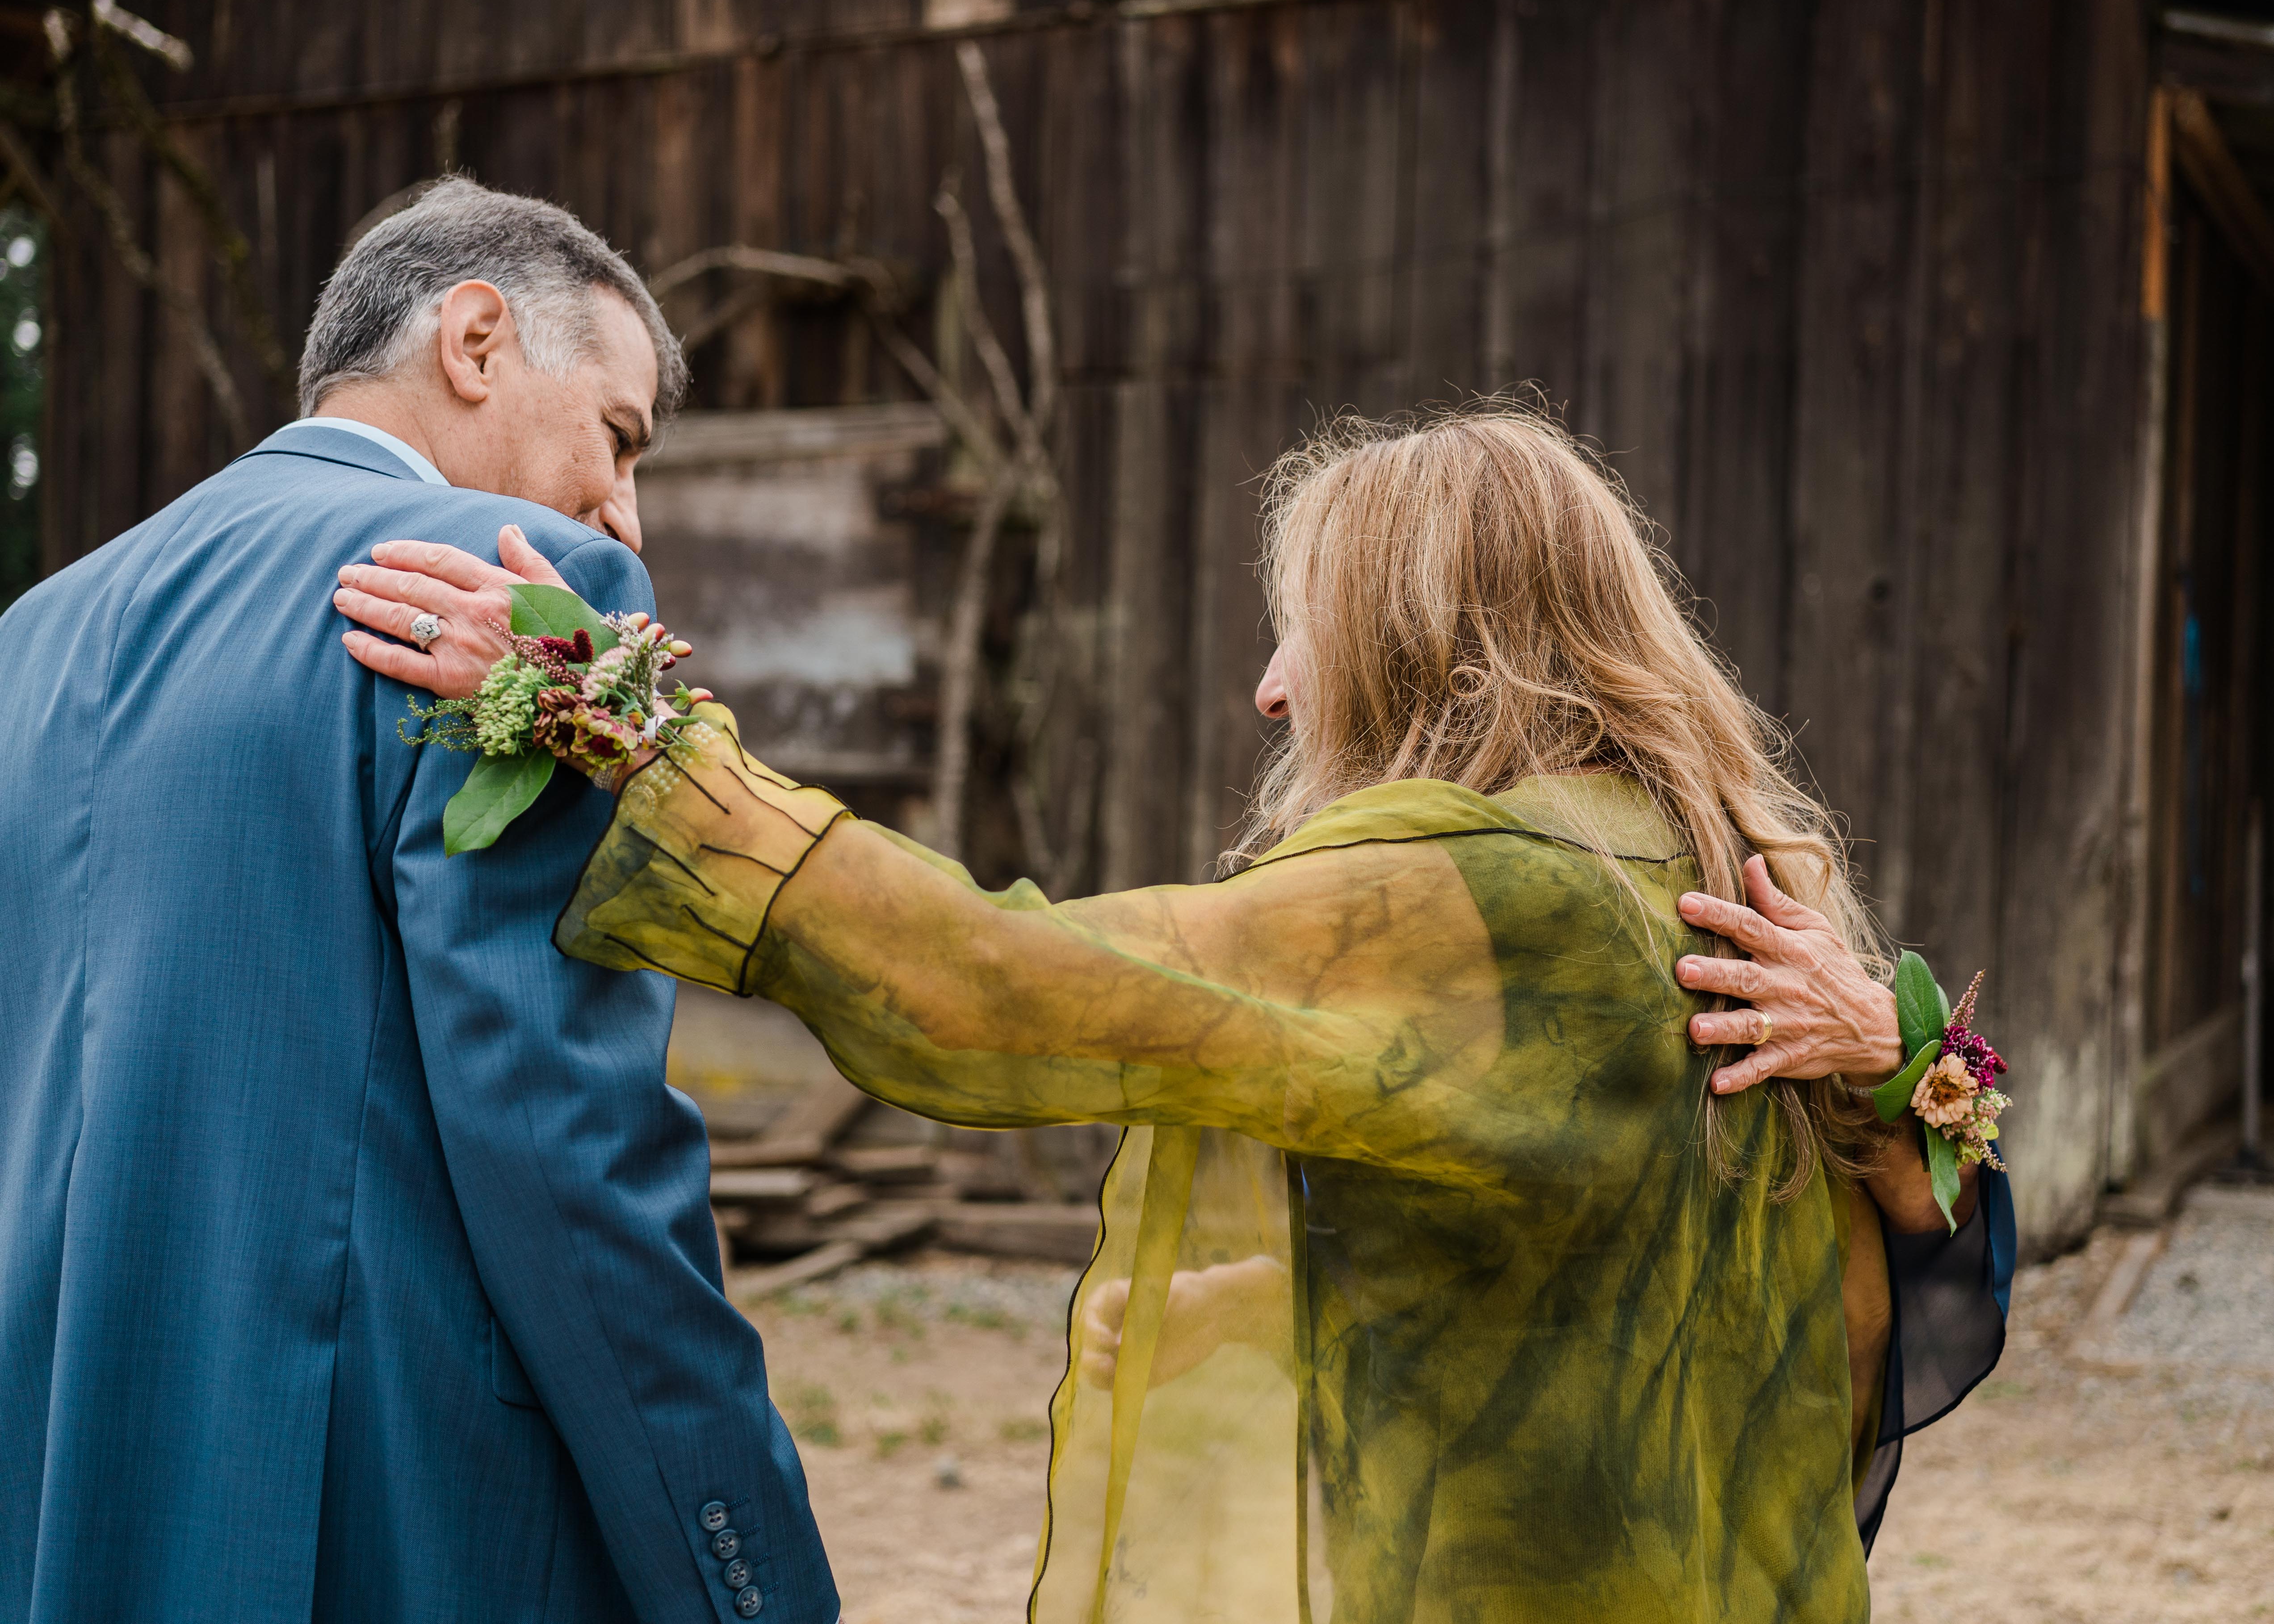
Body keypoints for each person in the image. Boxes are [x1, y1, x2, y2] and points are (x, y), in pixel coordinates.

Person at [344, 404, 2013, 1621]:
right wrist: (1907, 1070)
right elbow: (1703, 1278)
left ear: (1425, 646)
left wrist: (641, 740)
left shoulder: (1477, 897)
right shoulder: (1703, 869)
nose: (1273, 690)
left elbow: (1001, 989)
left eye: (1306, 632)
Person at [0, 180, 836, 1624]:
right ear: (475, 340)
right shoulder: (516, 605)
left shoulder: (34, 635)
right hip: (388, 1511)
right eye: (619, 434)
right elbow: (569, 1144)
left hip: (58, 1483)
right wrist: (743, 1566)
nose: (622, 508)